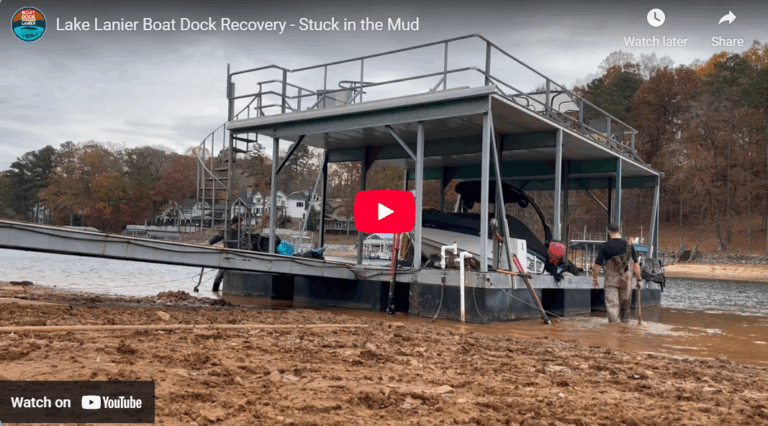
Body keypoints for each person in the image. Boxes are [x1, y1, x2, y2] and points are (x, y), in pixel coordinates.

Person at [591, 223, 642, 323]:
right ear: (619, 231)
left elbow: (597, 265)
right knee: (625, 306)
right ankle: (624, 329)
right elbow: (636, 264)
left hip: (611, 280)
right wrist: (639, 280)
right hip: (626, 280)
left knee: (612, 306)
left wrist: (595, 278)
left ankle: (613, 330)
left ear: (608, 231)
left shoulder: (605, 246)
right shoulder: (629, 245)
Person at [208, 217, 242, 292]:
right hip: (227, 254)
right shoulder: (227, 231)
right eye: (240, 222)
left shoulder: (241, 232)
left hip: (237, 255)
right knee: (220, 274)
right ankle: (214, 290)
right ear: (235, 223)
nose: (241, 224)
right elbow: (218, 237)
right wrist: (210, 242)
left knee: (235, 274)